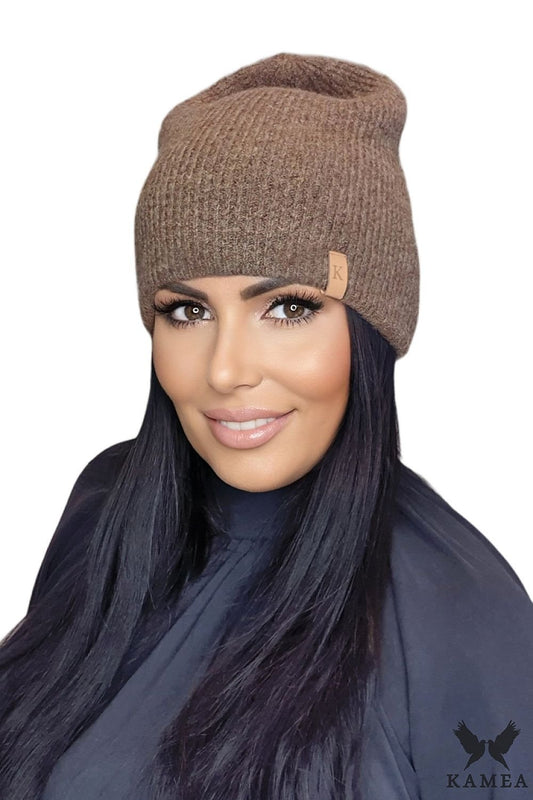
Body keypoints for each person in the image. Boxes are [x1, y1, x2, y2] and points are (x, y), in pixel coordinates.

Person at [0, 51, 532, 800]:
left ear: (371, 332)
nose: (225, 370)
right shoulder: (109, 512)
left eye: (287, 307)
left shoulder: (461, 614)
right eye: (187, 311)